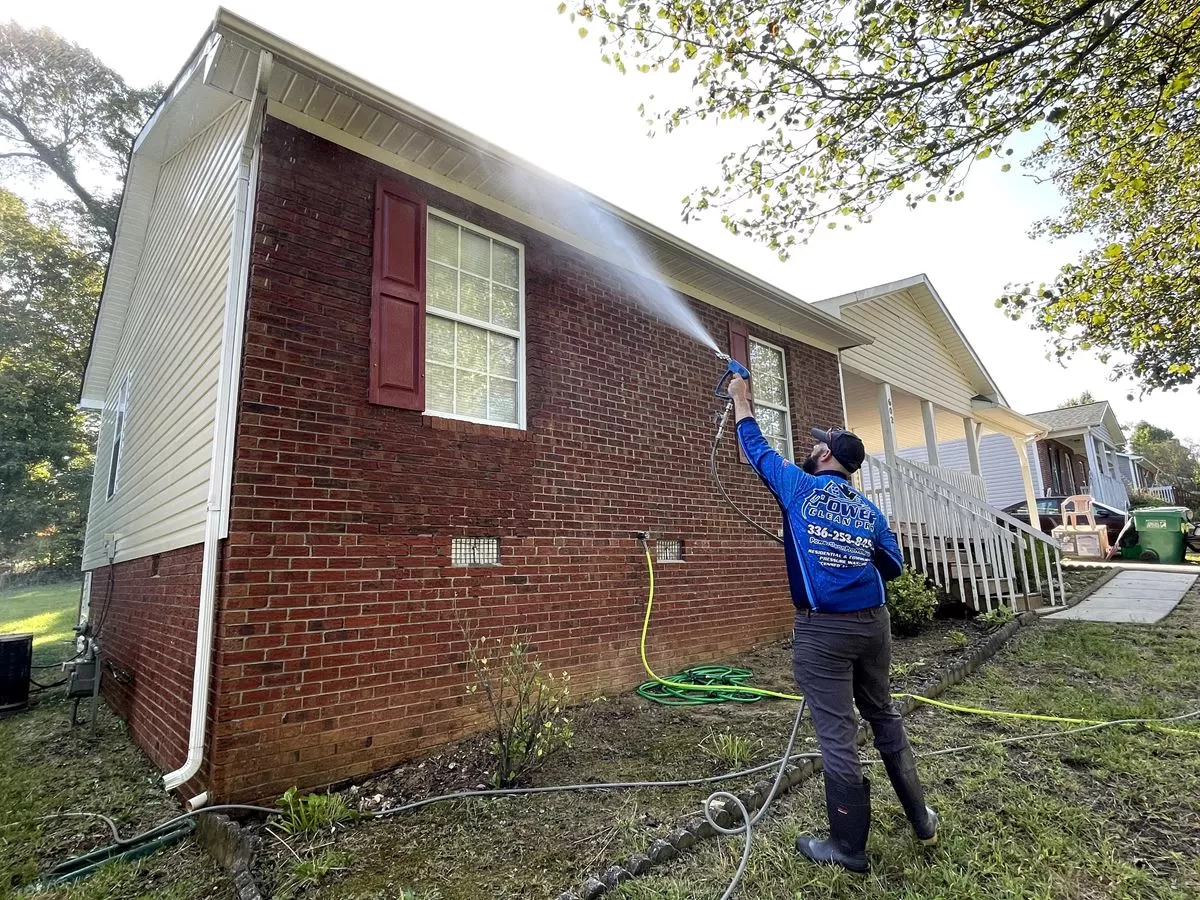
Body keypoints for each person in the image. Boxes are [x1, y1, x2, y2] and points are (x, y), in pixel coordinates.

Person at [727, 375, 938, 873]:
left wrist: (740, 401)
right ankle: (922, 821)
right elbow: (893, 564)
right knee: (883, 715)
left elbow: (756, 448)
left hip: (824, 632)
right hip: (874, 625)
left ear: (825, 456)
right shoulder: (868, 509)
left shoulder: (799, 487)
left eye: (816, 442)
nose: (811, 445)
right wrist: (850, 557)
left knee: (838, 735)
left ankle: (847, 848)